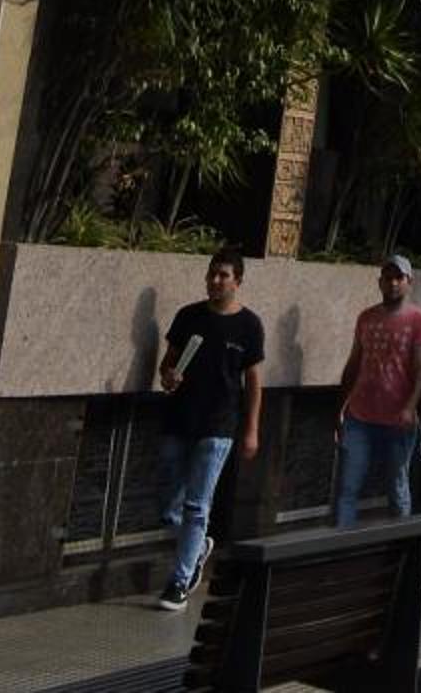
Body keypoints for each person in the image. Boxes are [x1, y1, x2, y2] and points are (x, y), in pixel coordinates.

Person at [154, 249, 265, 611]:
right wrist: (168, 376)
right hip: (179, 417)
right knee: (168, 503)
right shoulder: (189, 316)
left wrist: (251, 429)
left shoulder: (249, 325)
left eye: (223, 275)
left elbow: (253, 382)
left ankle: (179, 581)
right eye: (211, 274)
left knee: (197, 506)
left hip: (219, 425)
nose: (215, 281)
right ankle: (198, 545)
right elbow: (168, 364)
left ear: (238, 281)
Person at [333, 254, 421, 528]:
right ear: (380, 282)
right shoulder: (366, 317)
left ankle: (401, 545)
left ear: (409, 282)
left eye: (399, 278)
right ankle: (342, 543)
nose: (393, 283)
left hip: (398, 419)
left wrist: (410, 406)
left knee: (396, 487)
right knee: (347, 486)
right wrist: (340, 408)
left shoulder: (418, 319)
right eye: (388, 278)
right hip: (360, 416)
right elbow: (354, 363)